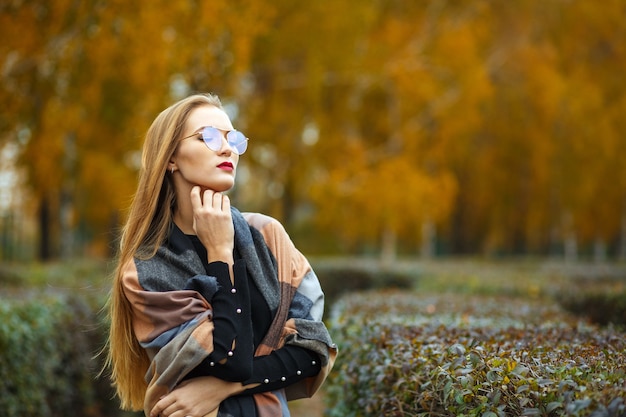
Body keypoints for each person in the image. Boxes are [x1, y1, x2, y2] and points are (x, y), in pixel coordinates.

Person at [105, 93, 337, 417]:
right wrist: (219, 253)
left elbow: (314, 350)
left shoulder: (268, 236)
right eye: (209, 137)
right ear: (171, 157)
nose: (227, 148)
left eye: (234, 139)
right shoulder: (146, 270)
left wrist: (221, 387)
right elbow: (229, 358)